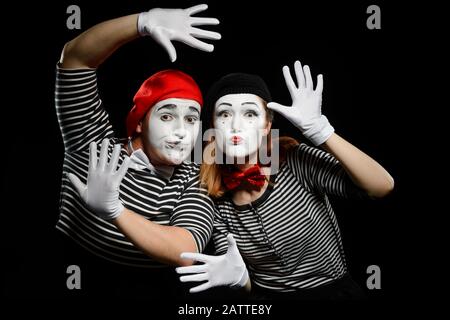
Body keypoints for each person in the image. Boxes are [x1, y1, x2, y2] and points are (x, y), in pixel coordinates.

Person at [175, 61, 395, 300]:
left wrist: (321, 131)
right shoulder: (213, 193)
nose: (236, 125)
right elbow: (236, 268)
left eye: (250, 113)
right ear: (213, 127)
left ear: (267, 125)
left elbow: (381, 186)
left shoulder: (295, 160)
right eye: (225, 114)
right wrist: (240, 280)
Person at [55, 4, 220, 298]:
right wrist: (142, 22)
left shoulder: (196, 178)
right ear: (141, 122)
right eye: (167, 116)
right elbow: (75, 59)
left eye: (192, 118)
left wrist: (115, 211)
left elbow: (186, 249)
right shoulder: (92, 142)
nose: (182, 130)